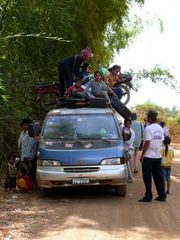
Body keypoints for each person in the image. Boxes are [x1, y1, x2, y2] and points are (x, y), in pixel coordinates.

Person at [138, 110, 166, 202]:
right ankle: (162, 195)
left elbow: (147, 142)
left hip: (148, 156)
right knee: (158, 176)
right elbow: (161, 141)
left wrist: (142, 155)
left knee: (147, 176)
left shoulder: (148, 128)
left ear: (149, 118)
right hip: (157, 156)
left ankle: (148, 196)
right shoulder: (160, 128)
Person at [122, 118, 135, 183]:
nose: (127, 125)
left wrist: (124, 137)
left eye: (128, 124)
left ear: (130, 124)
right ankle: (129, 177)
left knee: (126, 162)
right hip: (124, 150)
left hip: (129, 149)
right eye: (126, 124)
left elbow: (128, 142)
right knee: (126, 163)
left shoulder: (132, 132)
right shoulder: (122, 130)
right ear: (124, 124)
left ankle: (130, 178)